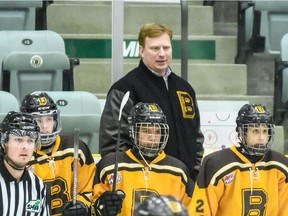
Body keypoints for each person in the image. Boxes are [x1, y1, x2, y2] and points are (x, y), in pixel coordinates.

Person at [99, 23, 204, 182]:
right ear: (141, 51)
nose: (162, 54)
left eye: (166, 48)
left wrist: (193, 176)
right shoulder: (124, 89)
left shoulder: (185, 89)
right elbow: (113, 146)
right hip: (143, 185)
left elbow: (195, 138)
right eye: (155, 48)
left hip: (184, 184)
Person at [91, 102, 194, 215]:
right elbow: (90, 205)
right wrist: (100, 207)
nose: (153, 137)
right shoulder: (109, 165)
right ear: (133, 132)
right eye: (146, 131)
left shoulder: (178, 170)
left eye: (157, 132)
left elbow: (192, 210)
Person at [191, 104, 288, 215]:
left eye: (265, 131)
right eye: (255, 131)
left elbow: (284, 211)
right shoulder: (216, 164)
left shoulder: (282, 166)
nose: (262, 137)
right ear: (243, 132)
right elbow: (200, 212)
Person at [20, 92, 96, 216]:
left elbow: (90, 188)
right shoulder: (19, 154)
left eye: (49, 119)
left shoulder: (76, 148)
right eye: (38, 120)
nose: (44, 126)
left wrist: (81, 205)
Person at [0, 111, 50, 215]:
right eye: (18, 140)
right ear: (4, 143)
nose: (25, 147)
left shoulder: (38, 186)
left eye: (30, 141)